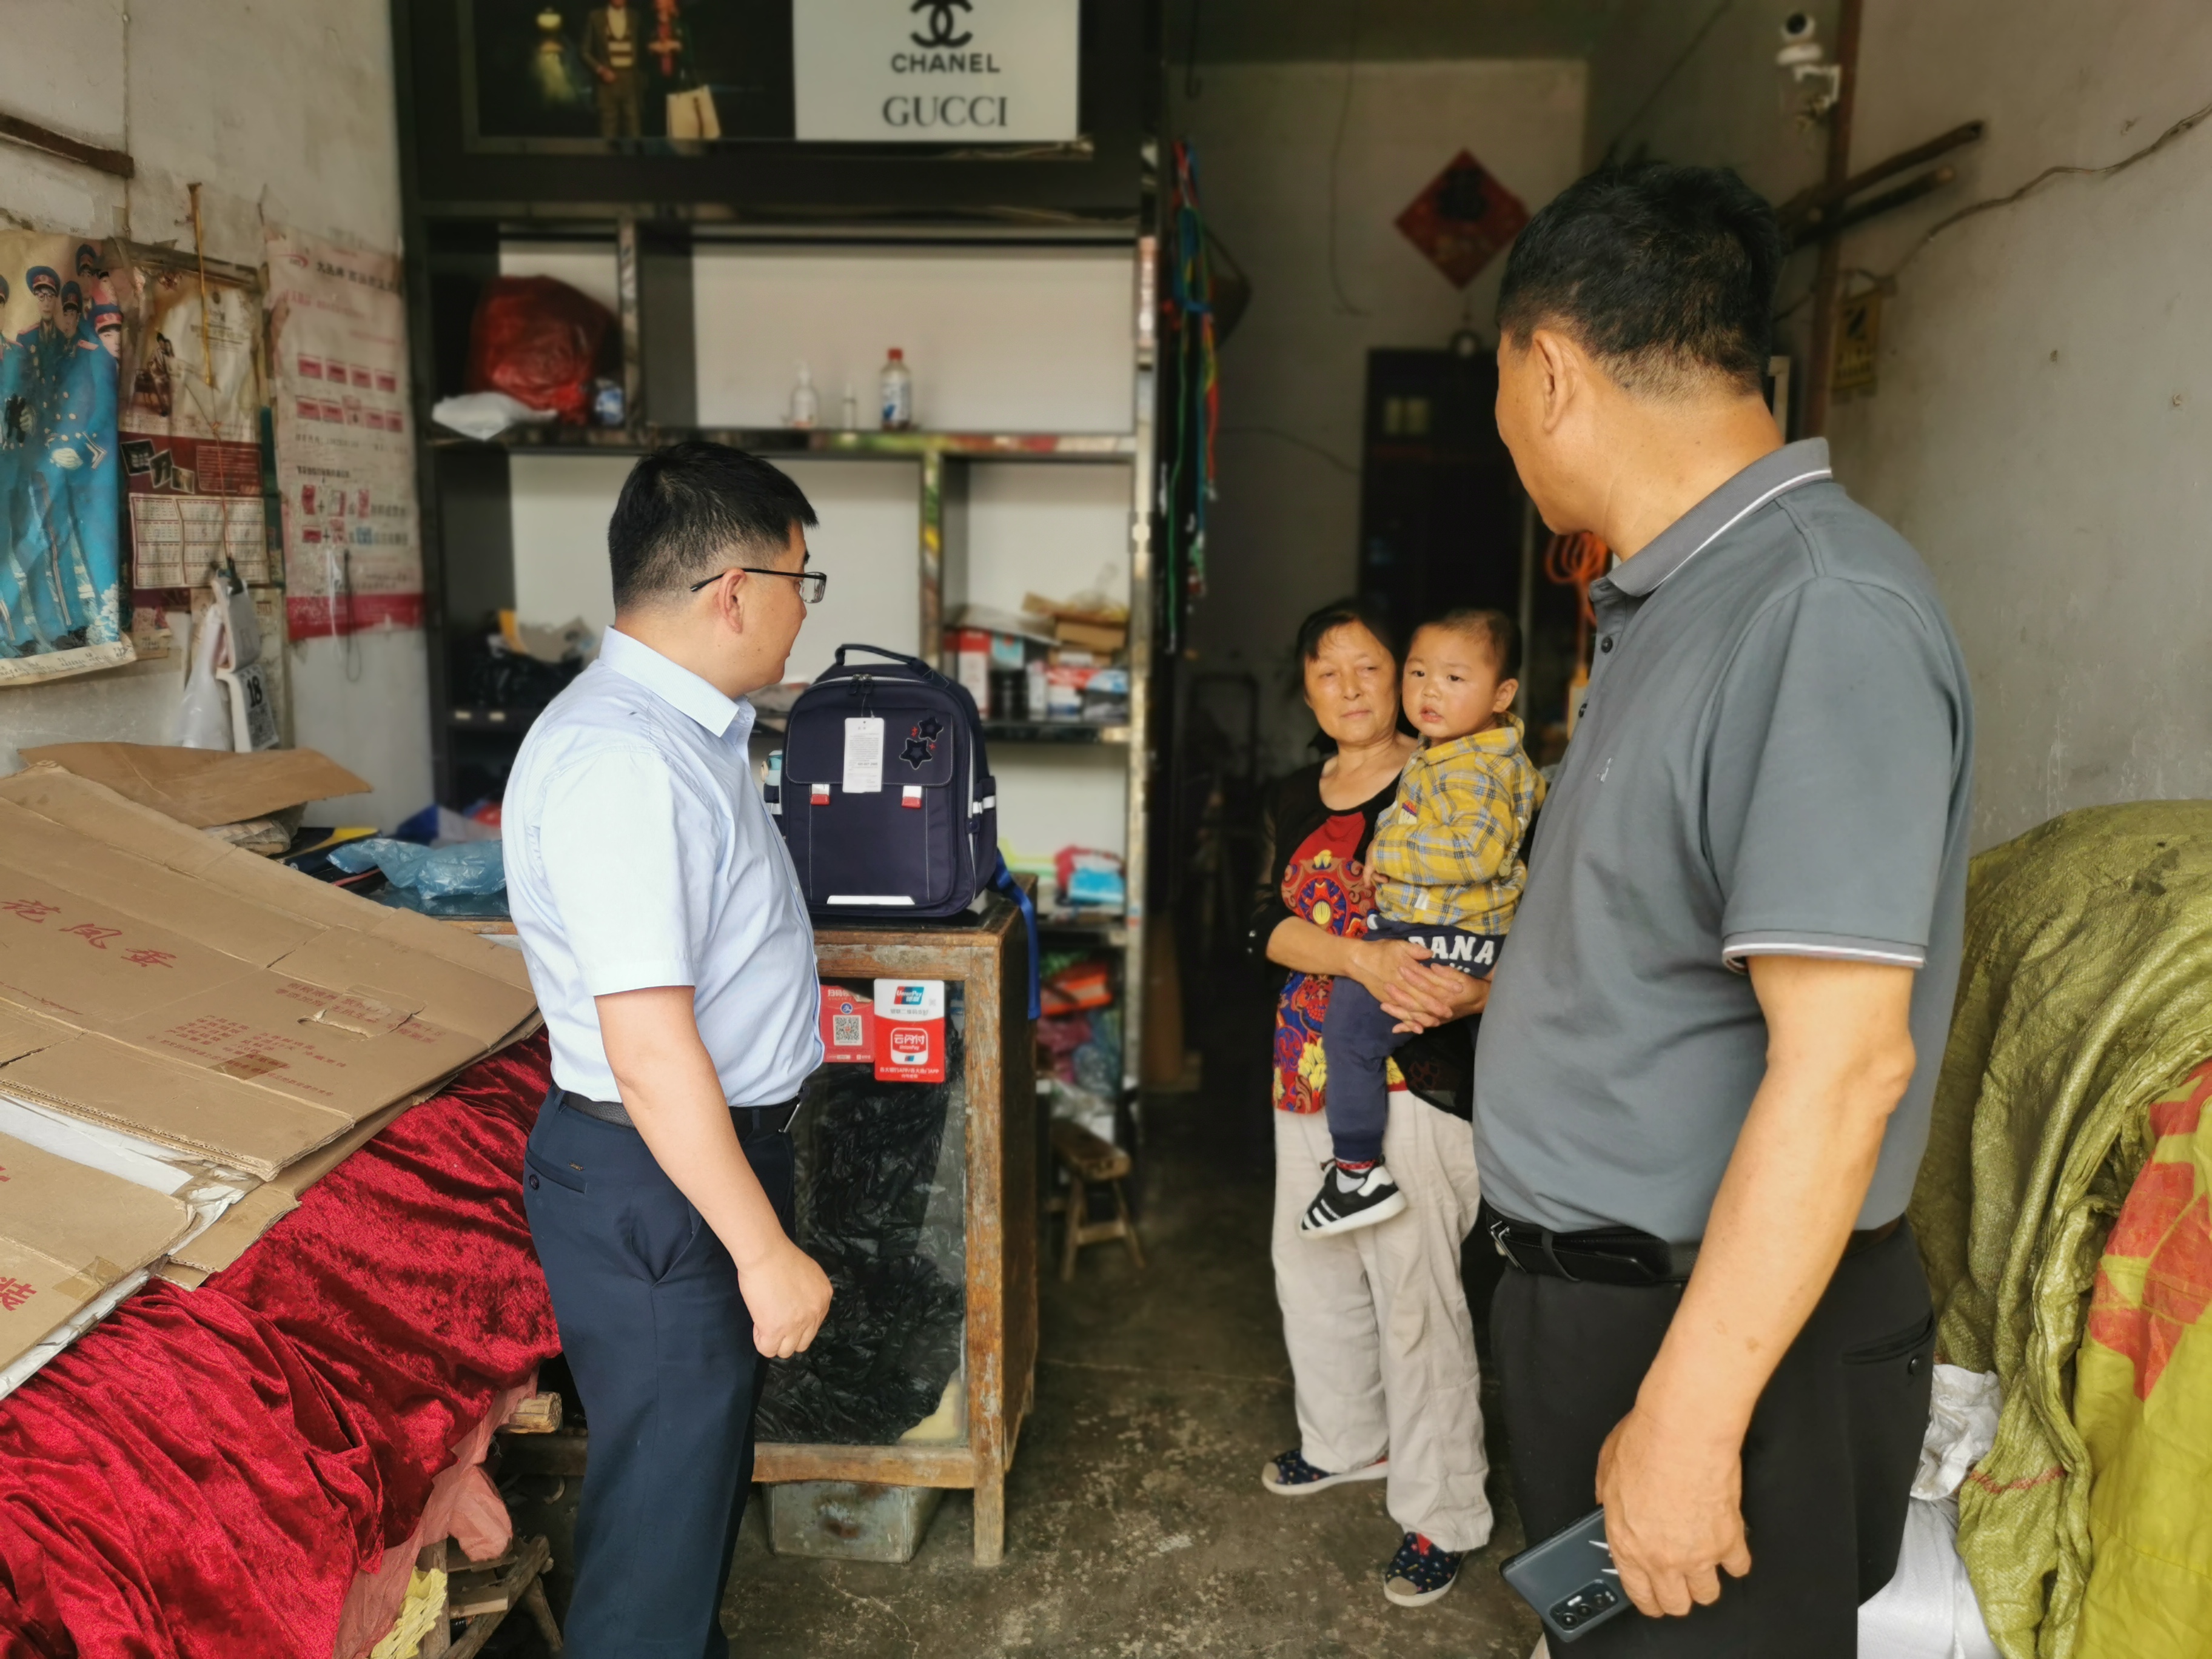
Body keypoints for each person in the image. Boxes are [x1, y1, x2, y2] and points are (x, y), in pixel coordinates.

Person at [1475, 163, 1973, 1654]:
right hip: (1617, 1309)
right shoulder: (1680, 597)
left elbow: (1845, 1064)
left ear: (1548, 371)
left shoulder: (1814, 609)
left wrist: (1690, 1424)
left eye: (1499, 381)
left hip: (1719, 1344)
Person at [505, 441, 836, 1658]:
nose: (807, 609)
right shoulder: (626, 760)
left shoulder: (682, 734)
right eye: (802, 580)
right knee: (656, 1548)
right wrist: (761, 1251)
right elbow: (647, 1050)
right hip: (662, 1181)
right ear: (734, 591)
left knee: (683, 1517)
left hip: (687, 1165)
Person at [1250, 599, 1498, 1609]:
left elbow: (1518, 917)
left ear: (1401, 677)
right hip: (1303, 1068)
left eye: (1369, 667)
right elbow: (1261, 923)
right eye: (1327, 671)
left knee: (1415, 1299)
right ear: (1305, 690)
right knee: (1311, 1270)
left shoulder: (1457, 776)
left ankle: (1444, 1511)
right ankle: (1346, 1440)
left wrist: (1476, 990)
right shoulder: (1288, 794)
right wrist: (1357, 957)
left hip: (1415, 1075)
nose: (1349, 688)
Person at [1301, 608, 1541, 1236]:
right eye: (1419, 673)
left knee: (1351, 1033)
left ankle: (1358, 1173)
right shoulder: (1451, 754)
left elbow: (1475, 854)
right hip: (1446, 931)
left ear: (1502, 694)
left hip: (1443, 936)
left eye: (1454, 678)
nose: (1430, 691)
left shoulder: (1475, 767)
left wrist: (1387, 851)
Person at [582, 0, 643, 139]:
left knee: (634, 133)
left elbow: (643, 47)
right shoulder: (595, 17)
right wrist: (601, 70)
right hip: (607, 83)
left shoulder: (635, 17)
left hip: (631, 81)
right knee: (608, 134)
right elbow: (584, 51)